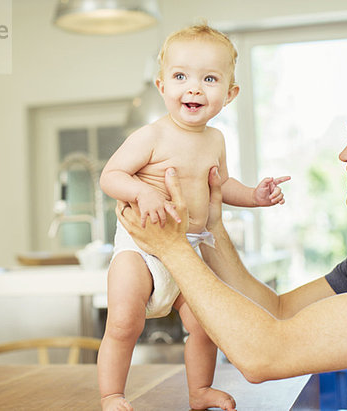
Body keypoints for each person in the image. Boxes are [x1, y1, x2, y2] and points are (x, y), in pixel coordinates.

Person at [117, 61, 347, 410]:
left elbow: (265, 354)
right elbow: (279, 311)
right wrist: (212, 226)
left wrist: (173, 249)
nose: (346, 154)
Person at [97, 24, 289, 411]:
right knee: (123, 324)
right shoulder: (151, 136)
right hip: (142, 249)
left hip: (188, 250)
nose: (194, 88)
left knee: (206, 326)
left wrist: (253, 195)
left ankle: (199, 391)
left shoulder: (215, 140)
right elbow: (110, 176)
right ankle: (112, 395)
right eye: (181, 76)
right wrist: (143, 191)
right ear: (162, 85)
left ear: (230, 93)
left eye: (210, 79)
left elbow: (220, 184)